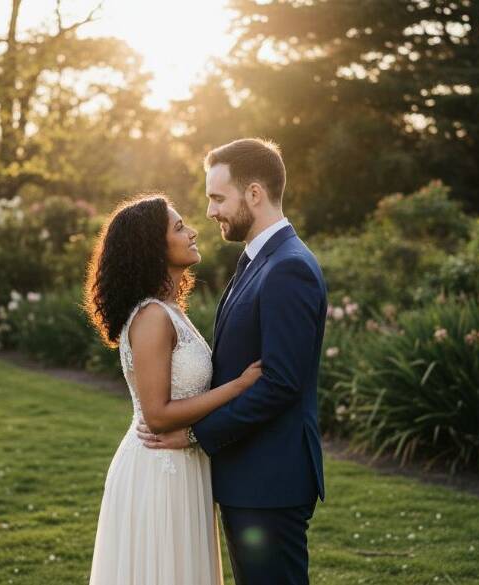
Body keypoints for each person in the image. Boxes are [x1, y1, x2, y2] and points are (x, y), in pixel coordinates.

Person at [138, 138, 328, 585]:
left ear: (255, 194)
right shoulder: (257, 261)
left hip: (270, 479)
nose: (210, 212)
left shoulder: (288, 268)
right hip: (250, 476)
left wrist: (196, 435)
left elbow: (280, 382)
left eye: (218, 198)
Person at [85, 194, 262, 585]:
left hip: (185, 463)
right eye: (179, 227)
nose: (193, 231)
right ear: (153, 247)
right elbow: (158, 415)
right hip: (158, 467)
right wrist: (238, 386)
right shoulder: (151, 317)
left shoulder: (169, 311)